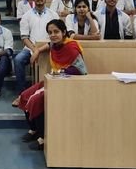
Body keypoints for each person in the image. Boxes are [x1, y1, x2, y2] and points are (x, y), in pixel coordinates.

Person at [20, 19, 88, 150]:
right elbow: (49, 44)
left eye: (56, 32)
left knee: (36, 100)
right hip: (53, 79)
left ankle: (43, 139)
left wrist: (61, 72)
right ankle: (34, 129)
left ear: (64, 32)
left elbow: (81, 70)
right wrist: (37, 50)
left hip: (68, 84)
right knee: (25, 95)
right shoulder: (54, 44)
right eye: (50, 32)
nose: (53, 35)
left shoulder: (71, 46)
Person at [13, 0, 59, 105]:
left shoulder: (53, 14)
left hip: (50, 47)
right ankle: (22, 95)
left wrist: (39, 50)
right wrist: (34, 50)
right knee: (18, 60)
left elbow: (58, 36)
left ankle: (51, 93)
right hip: (30, 48)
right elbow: (24, 37)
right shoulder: (26, 16)